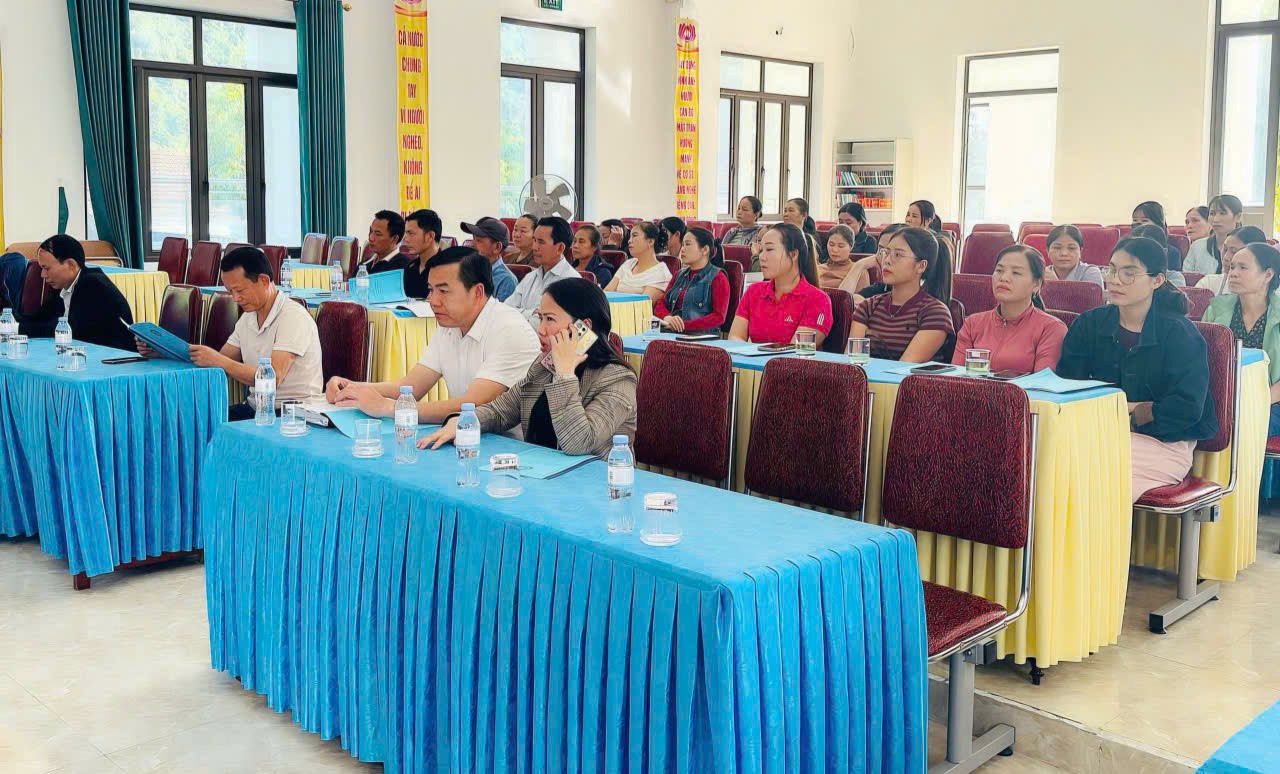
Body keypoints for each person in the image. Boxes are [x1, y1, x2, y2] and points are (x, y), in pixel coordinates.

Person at [1056, 237, 1217, 503]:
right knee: (1050, 462)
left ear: (1157, 280)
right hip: (1095, 433)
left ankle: (1103, 531)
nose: (1115, 280)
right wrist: (1131, 407)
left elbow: (1186, 408)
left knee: (1091, 473)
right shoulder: (1089, 324)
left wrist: (1128, 411)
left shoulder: (1180, 334)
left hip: (1163, 444)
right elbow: (1067, 386)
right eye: (1111, 270)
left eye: (1129, 273)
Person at [418, 278, 638, 459]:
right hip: (541, 480)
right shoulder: (544, 366)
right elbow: (501, 411)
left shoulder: (618, 379)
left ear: (583, 328)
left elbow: (578, 442)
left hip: (596, 488)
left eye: (550, 319)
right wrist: (464, 421)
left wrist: (564, 374)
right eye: (540, 318)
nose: (541, 329)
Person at [326, 246, 539, 423]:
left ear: (477, 292)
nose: (433, 301)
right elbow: (411, 387)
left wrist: (390, 408)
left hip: (511, 447)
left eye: (443, 291)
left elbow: (474, 405)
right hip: (465, 435)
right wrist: (351, 387)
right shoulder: (449, 325)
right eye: (431, 290)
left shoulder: (509, 329)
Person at [180, 246, 322, 421]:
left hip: (291, 414)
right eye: (230, 292)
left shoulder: (293, 316)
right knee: (195, 421)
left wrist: (218, 360)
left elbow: (272, 378)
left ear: (263, 280)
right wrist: (174, 352)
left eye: (240, 290)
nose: (235, 298)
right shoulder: (248, 317)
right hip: (257, 407)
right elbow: (222, 359)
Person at [1204, 243, 1280, 435]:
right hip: (1221, 398)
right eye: (1232, 267)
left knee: (1245, 426)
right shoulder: (1215, 310)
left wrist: (1255, 402)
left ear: (1267, 275)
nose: (1233, 273)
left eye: (1243, 267)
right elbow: (1201, 359)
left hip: (1271, 402)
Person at [952, 245, 1066, 373]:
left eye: (1016, 273)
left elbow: (1041, 382)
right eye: (999, 270)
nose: (1003, 278)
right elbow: (955, 377)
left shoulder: (1051, 328)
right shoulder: (973, 323)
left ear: (1036, 284)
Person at [850, 226, 954, 362]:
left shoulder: (936, 313)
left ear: (921, 266)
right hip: (864, 376)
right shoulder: (868, 306)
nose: (887, 260)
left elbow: (903, 368)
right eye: (886, 252)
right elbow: (852, 363)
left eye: (898, 255)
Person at [18, 234, 135, 352]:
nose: (42, 275)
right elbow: (40, 318)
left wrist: (17, 328)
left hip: (116, 357)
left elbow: (66, 329)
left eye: (47, 268)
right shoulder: (62, 286)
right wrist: (12, 321)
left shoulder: (93, 285)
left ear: (71, 265)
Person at [728, 223, 832, 347]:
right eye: (761, 250)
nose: (761, 257)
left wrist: (753, 351)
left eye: (769, 250)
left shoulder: (818, 299)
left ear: (793, 254)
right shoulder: (753, 291)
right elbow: (735, 337)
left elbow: (797, 350)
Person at [505, 216, 580, 327]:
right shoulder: (530, 277)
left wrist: (522, 313)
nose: (534, 247)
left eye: (541, 242)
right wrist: (532, 313)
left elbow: (543, 324)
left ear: (560, 248)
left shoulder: (572, 281)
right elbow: (506, 310)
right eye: (534, 240)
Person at [654, 227, 730, 332]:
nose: (682, 249)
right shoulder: (679, 274)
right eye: (683, 244)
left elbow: (718, 317)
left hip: (699, 337)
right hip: (671, 332)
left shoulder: (718, 277)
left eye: (688, 244)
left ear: (705, 249)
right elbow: (661, 302)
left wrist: (683, 325)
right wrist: (667, 317)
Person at [606, 221, 673, 301]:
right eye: (630, 237)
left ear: (650, 241)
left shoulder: (661, 273)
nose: (629, 241)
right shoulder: (628, 264)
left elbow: (643, 304)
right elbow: (607, 292)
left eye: (634, 236)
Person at [1197, 225, 1269, 295]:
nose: (1226, 257)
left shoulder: (1272, 293)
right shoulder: (1209, 284)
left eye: (1235, 252)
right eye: (1225, 249)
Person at [460, 217, 518, 301]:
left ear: (497, 247)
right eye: (474, 238)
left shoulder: (506, 281)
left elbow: (499, 310)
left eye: (479, 240)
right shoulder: (467, 270)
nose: (472, 244)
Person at [1184, 194, 1244, 274]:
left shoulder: (1247, 248)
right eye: (1212, 213)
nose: (1216, 219)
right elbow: (1186, 277)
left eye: (1222, 213)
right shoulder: (1197, 246)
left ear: (1238, 217)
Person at [853, 223, 907, 305]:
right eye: (882, 251)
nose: (886, 259)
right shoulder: (882, 287)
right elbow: (842, 302)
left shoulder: (925, 298)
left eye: (897, 254)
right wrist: (859, 265)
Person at [400, 209, 443, 299]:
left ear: (430, 236)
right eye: (406, 233)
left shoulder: (447, 269)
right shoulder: (409, 268)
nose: (405, 240)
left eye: (411, 233)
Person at [1130, 202, 1185, 271]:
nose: (1138, 224)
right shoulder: (1126, 248)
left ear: (1159, 225)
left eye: (1144, 220)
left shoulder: (1172, 252)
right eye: (1135, 220)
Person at [818, 225, 865, 293]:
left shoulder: (859, 270)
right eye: (831, 244)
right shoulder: (817, 268)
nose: (835, 250)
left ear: (851, 247)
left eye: (841, 246)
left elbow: (861, 298)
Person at [360, 209, 407, 274]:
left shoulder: (403, 268)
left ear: (394, 239)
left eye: (378, 234)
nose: (371, 238)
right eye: (370, 231)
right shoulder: (365, 263)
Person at [782, 197, 826, 263]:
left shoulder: (810, 238)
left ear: (804, 215)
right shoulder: (779, 233)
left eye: (791, 210)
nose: (786, 214)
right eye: (785, 211)